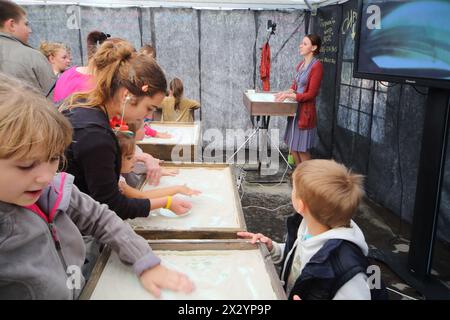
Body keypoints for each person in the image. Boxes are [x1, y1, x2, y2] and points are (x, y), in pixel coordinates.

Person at [0, 74, 194, 299]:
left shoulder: (55, 189)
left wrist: (144, 260)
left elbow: (101, 217)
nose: (44, 176)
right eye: (26, 165)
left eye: (54, 158)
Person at [62, 39, 190, 220]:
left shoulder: (82, 105)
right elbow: (111, 205)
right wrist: (167, 202)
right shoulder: (95, 136)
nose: (147, 117)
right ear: (127, 96)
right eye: (149, 108)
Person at [238, 159, 385, 300]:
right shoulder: (307, 226)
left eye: (293, 189)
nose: (291, 192)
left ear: (301, 205)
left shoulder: (350, 273)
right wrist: (273, 248)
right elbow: (298, 257)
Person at [274, 34, 323, 166]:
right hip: (295, 111)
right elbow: (296, 86)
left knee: (302, 150)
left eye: (305, 44)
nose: (300, 45)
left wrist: (289, 96)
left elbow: (311, 94)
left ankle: (308, 182)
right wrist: (286, 92)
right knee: (293, 148)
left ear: (313, 47)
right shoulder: (302, 64)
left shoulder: (316, 66)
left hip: (305, 114)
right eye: (301, 43)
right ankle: (298, 177)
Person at [116, 131, 200, 203]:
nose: (135, 160)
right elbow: (142, 196)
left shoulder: (117, 172)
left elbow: (134, 166)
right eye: (129, 158)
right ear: (115, 159)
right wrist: (178, 189)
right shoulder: (118, 182)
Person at [0, 0, 55, 97]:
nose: (30, 30)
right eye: (26, 24)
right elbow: (55, 100)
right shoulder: (32, 57)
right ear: (12, 24)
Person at [53, 31, 110, 103]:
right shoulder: (96, 81)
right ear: (51, 58)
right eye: (64, 58)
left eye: (68, 58)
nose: (68, 61)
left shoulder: (67, 75)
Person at [123, 119, 177, 188]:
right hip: (134, 185)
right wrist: (160, 171)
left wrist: (153, 160)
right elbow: (137, 166)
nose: (145, 131)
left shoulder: (133, 146)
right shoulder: (131, 148)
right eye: (143, 128)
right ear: (133, 132)